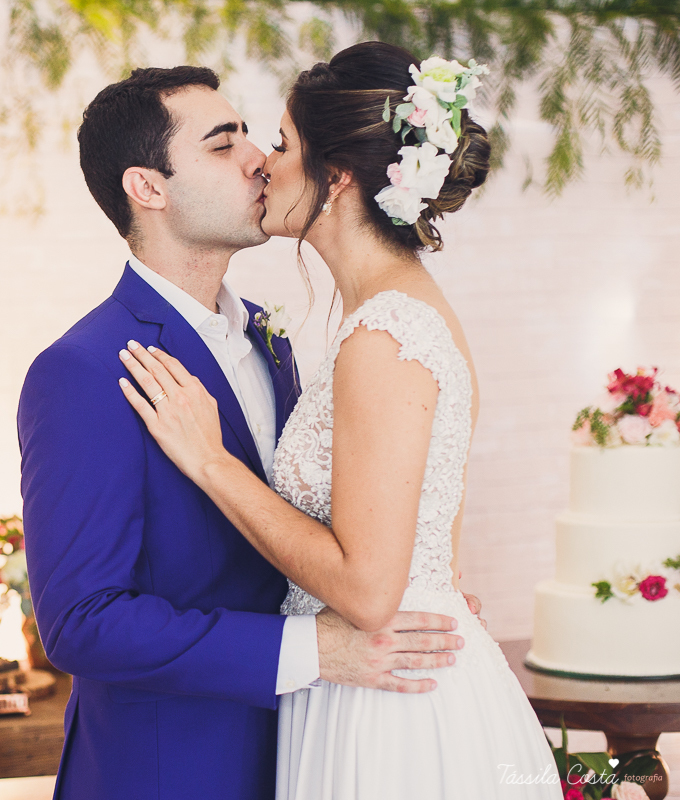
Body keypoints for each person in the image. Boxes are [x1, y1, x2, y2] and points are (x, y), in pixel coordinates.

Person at [17, 63, 482, 800]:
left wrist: (421, 588)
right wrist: (313, 648)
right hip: (171, 774)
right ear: (149, 188)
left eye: (258, 137)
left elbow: (323, 532)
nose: (258, 159)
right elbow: (81, 622)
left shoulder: (273, 340)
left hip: (315, 749)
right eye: (222, 142)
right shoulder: (84, 369)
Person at [117, 43, 561, 798]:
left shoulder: (386, 333)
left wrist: (214, 463)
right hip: (377, 671)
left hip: (389, 705)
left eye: (282, 143)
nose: (264, 164)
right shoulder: (387, 316)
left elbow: (368, 593)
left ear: (340, 176)